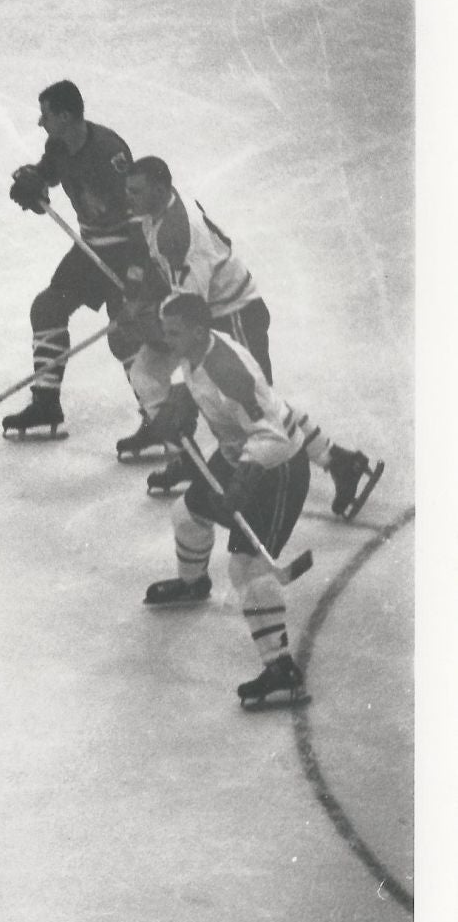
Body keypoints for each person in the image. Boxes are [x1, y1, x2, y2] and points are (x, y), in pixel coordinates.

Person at [121, 155, 382, 520]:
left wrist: (146, 328)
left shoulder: (178, 233)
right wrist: (139, 302)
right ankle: (188, 457)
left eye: (135, 190)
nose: (127, 196)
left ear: (160, 190)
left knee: (257, 403)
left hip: (233, 315)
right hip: (207, 313)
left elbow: (189, 308)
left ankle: (337, 460)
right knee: (145, 371)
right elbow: (168, 275)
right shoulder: (159, 211)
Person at [139, 292, 310, 707]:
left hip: (277, 467)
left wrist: (243, 482)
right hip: (239, 454)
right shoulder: (195, 348)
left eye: (174, 332)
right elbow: (187, 375)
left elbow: (274, 436)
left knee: (247, 569)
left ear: (198, 331)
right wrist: (179, 403)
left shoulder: (227, 371)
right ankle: (193, 584)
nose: (168, 340)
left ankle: (281, 669)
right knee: (188, 513)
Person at [2, 80, 150, 448]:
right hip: (92, 249)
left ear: (66, 116)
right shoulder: (59, 144)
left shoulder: (110, 153)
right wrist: (33, 182)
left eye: (46, 114)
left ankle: (158, 417)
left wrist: (137, 275)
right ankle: (46, 404)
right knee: (48, 307)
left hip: (126, 250)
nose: (40, 122)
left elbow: (139, 217)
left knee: (124, 333)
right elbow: (50, 172)